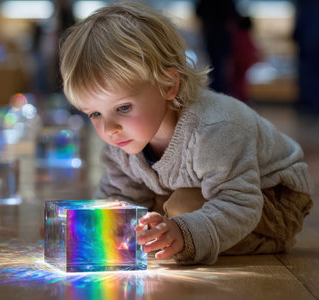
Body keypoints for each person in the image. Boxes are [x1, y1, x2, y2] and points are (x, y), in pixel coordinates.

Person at [59, 1, 313, 265]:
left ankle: (272, 241)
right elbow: (121, 196)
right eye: (95, 114)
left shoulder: (213, 130)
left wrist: (182, 233)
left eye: (123, 107)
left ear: (169, 85)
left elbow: (240, 202)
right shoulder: (122, 140)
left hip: (273, 198)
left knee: (181, 210)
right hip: (206, 188)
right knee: (155, 217)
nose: (109, 129)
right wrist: (88, 231)